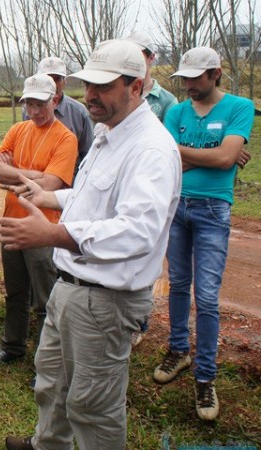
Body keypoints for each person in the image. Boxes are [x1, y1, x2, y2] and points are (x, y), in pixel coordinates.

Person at [0, 40, 181, 450]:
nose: (89, 95)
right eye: (87, 85)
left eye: (103, 86)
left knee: (92, 406)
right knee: (52, 382)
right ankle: (48, 445)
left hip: (107, 300)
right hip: (72, 285)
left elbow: (137, 231)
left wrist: (53, 234)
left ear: (136, 88)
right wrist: (49, 199)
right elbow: (91, 196)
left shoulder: (150, 148)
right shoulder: (107, 132)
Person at [153, 46, 255, 422]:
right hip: (177, 205)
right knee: (178, 283)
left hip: (214, 210)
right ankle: (179, 349)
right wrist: (213, 155)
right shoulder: (176, 111)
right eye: (186, 79)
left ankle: (205, 376)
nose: (190, 85)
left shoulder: (239, 107)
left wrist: (193, 155)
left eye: (197, 78)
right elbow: (166, 162)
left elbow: (225, 160)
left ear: (216, 74)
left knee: (208, 296)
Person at [0, 74, 77, 366]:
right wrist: (33, 174)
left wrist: (19, 173)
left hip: (42, 228)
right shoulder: (18, 129)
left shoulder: (66, 138)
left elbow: (49, 185)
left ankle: (47, 360)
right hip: (12, 222)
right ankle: (12, 346)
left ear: (56, 100)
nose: (34, 111)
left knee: (45, 298)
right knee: (15, 293)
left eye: (40, 104)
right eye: (29, 104)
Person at [124, 31, 179, 347]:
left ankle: (139, 322)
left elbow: (172, 150)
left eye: (141, 52)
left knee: (148, 253)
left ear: (151, 58)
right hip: (122, 187)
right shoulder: (118, 95)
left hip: (151, 187)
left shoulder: (166, 102)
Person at [34, 56, 93, 170]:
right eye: (47, 78)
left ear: (64, 82)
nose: (52, 83)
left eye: (57, 79)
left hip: (70, 181)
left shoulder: (79, 112)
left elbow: (88, 155)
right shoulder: (29, 111)